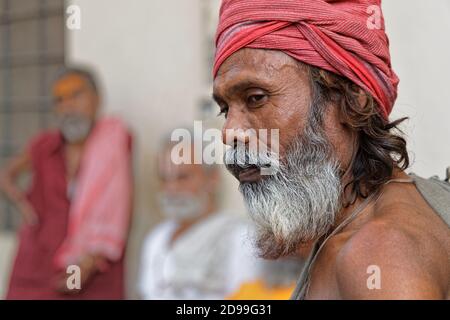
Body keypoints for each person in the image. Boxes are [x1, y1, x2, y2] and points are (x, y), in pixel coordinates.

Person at [212, 0, 450, 299]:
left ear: (352, 100)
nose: (230, 132)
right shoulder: (374, 219)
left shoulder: (377, 257)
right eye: (225, 109)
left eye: (256, 98)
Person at [0, 67, 133, 299]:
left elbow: (119, 210)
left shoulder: (116, 141)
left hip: (96, 274)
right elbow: (5, 176)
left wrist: (88, 263)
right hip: (37, 268)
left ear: (97, 98)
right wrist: (25, 206)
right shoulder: (44, 145)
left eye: (76, 96)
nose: (68, 106)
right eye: (60, 100)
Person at [138, 131, 258, 299]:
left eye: (182, 177)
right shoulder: (156, 240)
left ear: (213, 178)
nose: (171, 189)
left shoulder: (241, 239)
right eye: (164, 179)